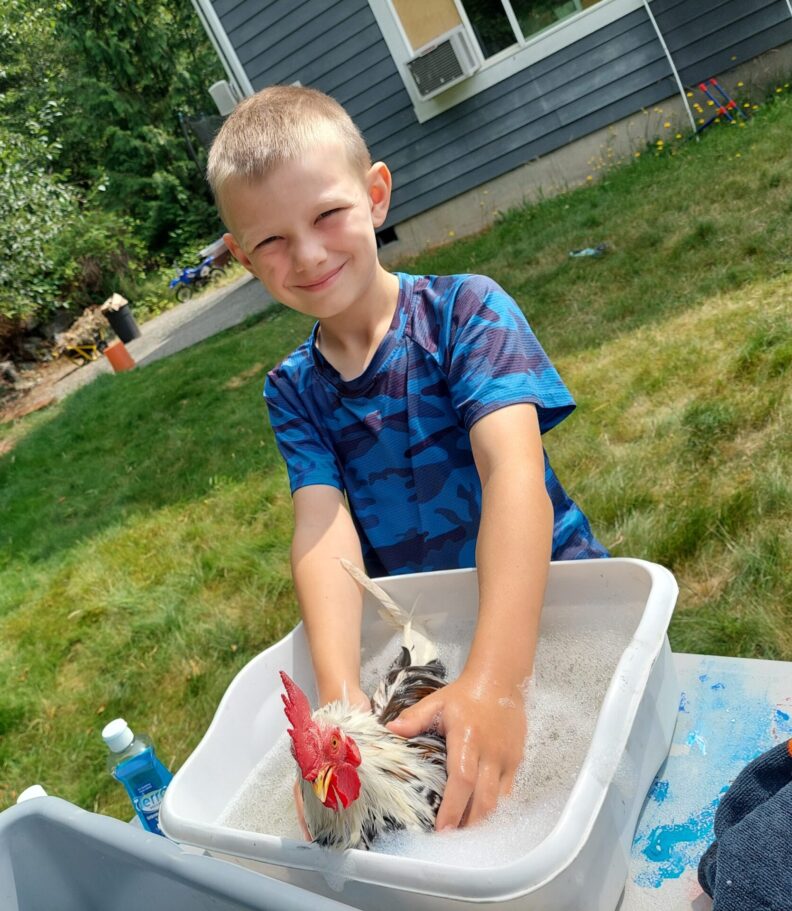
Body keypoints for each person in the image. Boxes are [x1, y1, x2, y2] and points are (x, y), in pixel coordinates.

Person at [207, 85, 608, 833]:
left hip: (557, 606)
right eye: (272, 241)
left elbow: (513, 477)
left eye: (328, 215)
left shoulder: (467, 313)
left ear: (376, 194)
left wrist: (497, 680)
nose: (311, 253)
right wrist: (339, 705)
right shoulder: (292, 389)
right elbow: (323, 529)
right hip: (435, 638)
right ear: (241, 257)